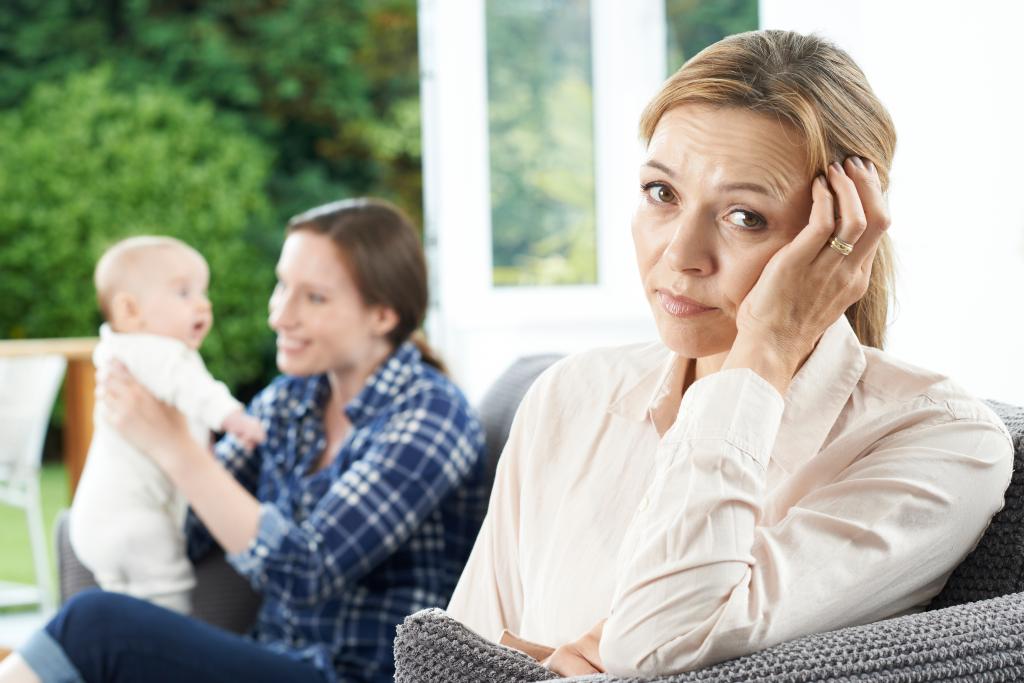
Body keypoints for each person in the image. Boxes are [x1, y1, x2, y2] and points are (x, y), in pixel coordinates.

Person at [445, 29, 1015, 678]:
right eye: (662, 193)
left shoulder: (943, 440)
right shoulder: (572, 392)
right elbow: (458, 662)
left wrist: (768, 344)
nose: (681, 254)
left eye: (744, 216)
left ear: (842, 235)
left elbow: (657, 641)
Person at [0, 198, 488, 683]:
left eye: (313, 298)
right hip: (274, 660)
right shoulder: (294, 400)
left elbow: (307, 573)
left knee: (94, 625)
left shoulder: (431, 415)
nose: (279, 315)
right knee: (91, 631)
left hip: (361, 676)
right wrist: (143, 442)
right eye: (282, 285)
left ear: (382, 315)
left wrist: (175, 448)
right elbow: (194, 528)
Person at [70, 235, 266, 615]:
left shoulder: (123, 353)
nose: (203, 304)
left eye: (203, 292)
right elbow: (194, 390)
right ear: (130, 311)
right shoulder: (158, 352)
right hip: (137, 521)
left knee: (122, 611)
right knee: (168, 606)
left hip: (98, 519)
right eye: (183, 293)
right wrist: (234, 418)